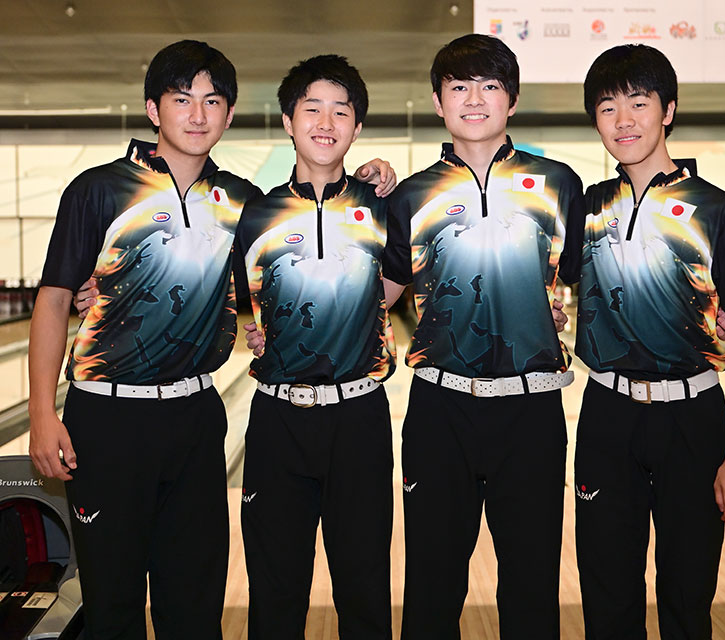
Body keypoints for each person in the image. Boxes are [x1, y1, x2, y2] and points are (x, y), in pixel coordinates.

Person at [30, 40, 394, 639]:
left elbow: (296, 254)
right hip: (106, 417)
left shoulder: (244, 203)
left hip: (197, 419)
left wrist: (373, 176)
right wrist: (42, 413)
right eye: (182, 99)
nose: (197, 114)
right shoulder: (98, 189)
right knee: (112, 603)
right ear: (153, 109)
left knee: (194, 604)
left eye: (212, 101)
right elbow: (52, 297)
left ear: (228, 115)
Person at [385, 34, 585, 638]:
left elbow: (597, 278)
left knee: (531, 588)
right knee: (431, 588)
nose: (474, 100)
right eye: (459, 87)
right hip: (439, 410)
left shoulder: (559, 183)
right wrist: (278, 325)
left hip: (532, 410)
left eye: (490, 86)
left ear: (512, 100)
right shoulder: (412, 194)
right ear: (438, 102)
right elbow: (380, 292)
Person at [573, 43, 725, 640]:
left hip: (693, 418)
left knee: (687, 599)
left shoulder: (722, 212)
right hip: (607, 416)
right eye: (607, 107)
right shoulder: (586, 208)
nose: (623, 120)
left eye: (639, 102)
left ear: (669, 111)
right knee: (607, 600)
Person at [235, 54, 411, 639]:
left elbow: (393, 286)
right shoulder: (255, 213)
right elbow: (223, 296)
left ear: (357, 127)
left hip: (358, 418)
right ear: (288, 121)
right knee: (275, 592)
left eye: (341, 111)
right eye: (312, 108)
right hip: (277, 420)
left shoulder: (384, 208)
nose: (326, 122)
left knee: (364, 590)